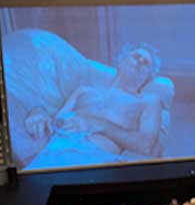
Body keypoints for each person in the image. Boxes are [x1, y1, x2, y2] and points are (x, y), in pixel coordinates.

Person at [25, 44, 167, 168]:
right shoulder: (84, 91)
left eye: (146, 63)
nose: (140, 62)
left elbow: (145, 145)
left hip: (94, 159)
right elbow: (56, 121)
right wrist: (38, 112)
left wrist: (98, 124)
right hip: (55, 151)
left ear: (148, 76)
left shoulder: (148, 101)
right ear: (121, 61)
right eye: (136, 56)